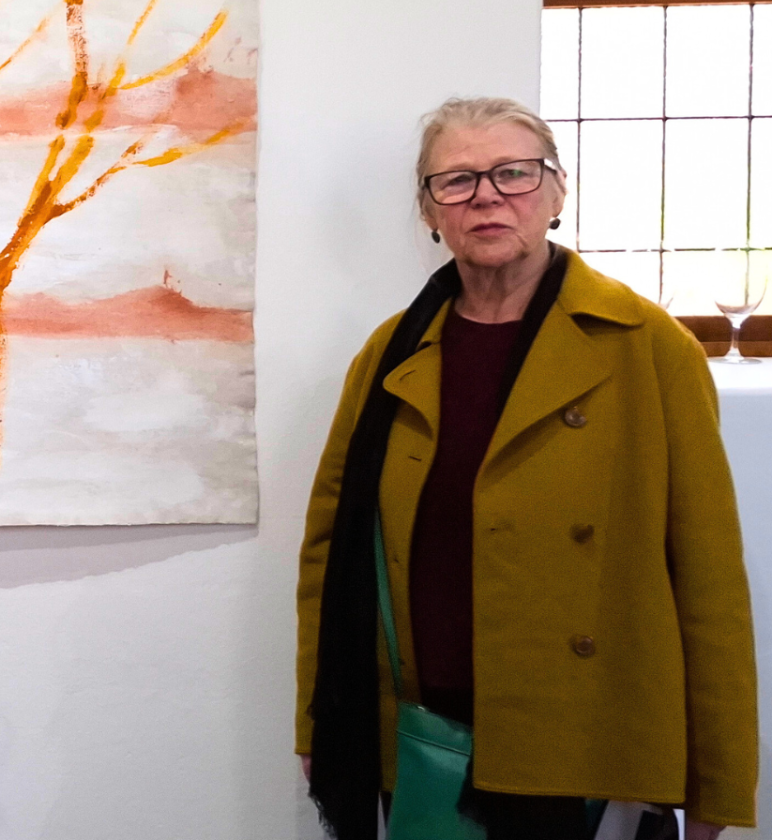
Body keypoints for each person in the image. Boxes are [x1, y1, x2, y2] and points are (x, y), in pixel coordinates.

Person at [296, 96, 757, 840]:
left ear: (555, 192)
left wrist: (718, 782)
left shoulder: (647, 347)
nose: (486, 196)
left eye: (513, 173)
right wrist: (321, 721)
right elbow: (328, 558)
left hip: (591, 749)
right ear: (430, 212)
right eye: (456, 180)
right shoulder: (390, 356)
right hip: (424, 741)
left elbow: (708, 583)